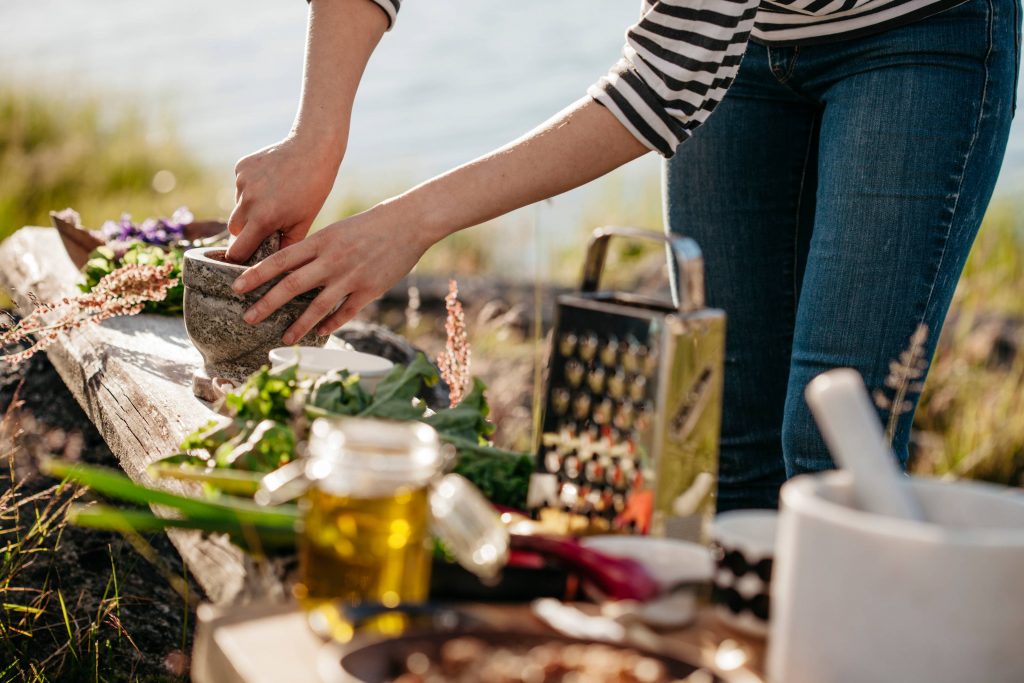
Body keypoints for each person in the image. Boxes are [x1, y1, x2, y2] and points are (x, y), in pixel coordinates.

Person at [227, 0, 1019, 511]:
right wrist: (316, 133)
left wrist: (410, 222)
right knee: (718, 449)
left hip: (917, 35)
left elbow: (668, 73)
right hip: (739, 46)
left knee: (830, 447)